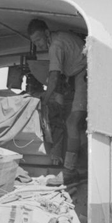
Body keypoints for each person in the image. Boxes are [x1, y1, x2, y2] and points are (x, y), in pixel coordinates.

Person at [27, 19, 87, 185]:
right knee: (76, 124)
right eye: (35, 42)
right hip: (78, 75)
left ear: (47, 34)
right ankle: (80, 168)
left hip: (84, 74)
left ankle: (69, 172)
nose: (38, 45)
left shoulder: (55, 46)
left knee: (72, 123)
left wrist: (43, 101)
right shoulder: (58, 39)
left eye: (39, 40)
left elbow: (53, 79)